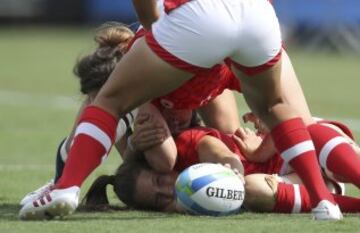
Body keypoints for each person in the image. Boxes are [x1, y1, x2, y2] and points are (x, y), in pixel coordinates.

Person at [20, 0, 355, 220]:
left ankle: (64, 187)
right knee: (279, 112)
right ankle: (324, 200)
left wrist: (154, 28)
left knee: (108, 102)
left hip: (195, 18)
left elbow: (101, 116)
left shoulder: (150, 72)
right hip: (257, 14)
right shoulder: (167, 107)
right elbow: (289, 118)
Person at [81, 118, 360, 214]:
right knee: (253, 190)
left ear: (159, 166)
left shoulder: (185, 145)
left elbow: (221, 154)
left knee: (306, 131)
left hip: (306, 151)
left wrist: (232, 170)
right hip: (303, 186)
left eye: (159, 182)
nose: (169, 190)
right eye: (159, 201)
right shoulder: (192, 204)